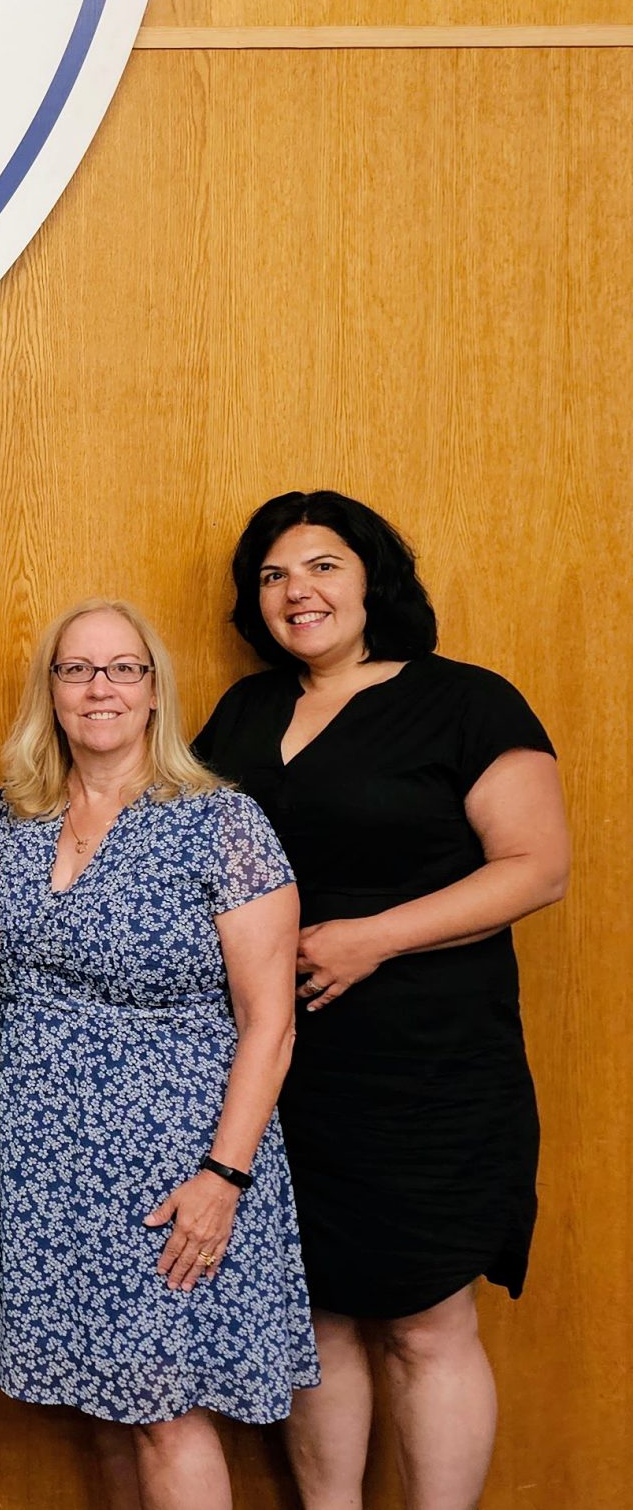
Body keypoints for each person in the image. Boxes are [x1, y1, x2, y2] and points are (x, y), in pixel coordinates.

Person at [195, 492, 567, 1510]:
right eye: (272, 576)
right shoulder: (247, 712)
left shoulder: (465, 701)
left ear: (371, 580)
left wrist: (373, 936)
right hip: (284, 1069)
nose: (295, 591)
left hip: (429, 1067)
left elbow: (536, 867)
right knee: (315, 1310)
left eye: (320, 565)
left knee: (424, 1320)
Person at [0, 599, 314, 1510]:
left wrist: (223, 1177)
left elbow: (270, 1023)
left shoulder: (219, 822)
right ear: (49, 692)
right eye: (77, 670)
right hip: (46, 1161)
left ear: (157, 690)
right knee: (108, 1404)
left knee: (165, 1407)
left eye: (124, 669)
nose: (100, 689)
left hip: (171, 1162)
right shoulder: (18, 813)